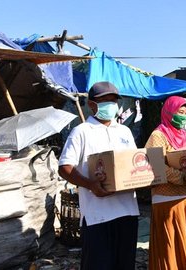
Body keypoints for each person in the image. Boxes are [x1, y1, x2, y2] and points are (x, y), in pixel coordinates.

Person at [58, 81, 139, 270]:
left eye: (113, 100)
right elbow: (64, 167)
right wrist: (90, 184)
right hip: (98, 215)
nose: (110, 104)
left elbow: (134, 161)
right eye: (105, 100)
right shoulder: (82, 131)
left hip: (128, 211)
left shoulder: (124, 131)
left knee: (125, 265)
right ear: (92, 104)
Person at [145, 96, 186, 270]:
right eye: (180, 112)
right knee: (170, 251)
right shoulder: (158, 135)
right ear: (168, 111)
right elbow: (155, 166)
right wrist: (183, 177)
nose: (184, 117)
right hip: (167, 200)